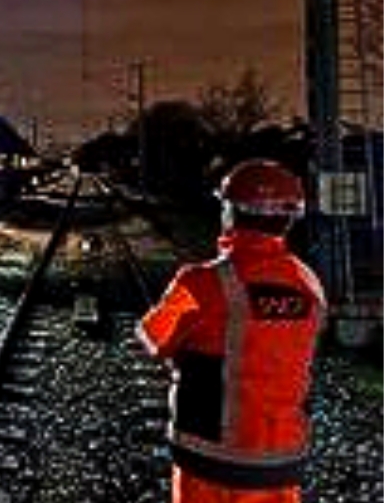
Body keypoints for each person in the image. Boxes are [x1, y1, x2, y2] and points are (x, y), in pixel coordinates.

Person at [136, 159, 326, 503]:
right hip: (281, 461)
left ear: (229, 212)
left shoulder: (202, 282)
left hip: (210, 460)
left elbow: (153, 338)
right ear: (289, 218)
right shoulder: (309, 283)